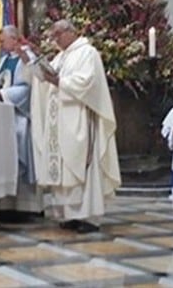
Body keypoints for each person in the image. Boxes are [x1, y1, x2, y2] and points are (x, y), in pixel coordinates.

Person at [24, 19, 121, 234]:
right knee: (62, 167)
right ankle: (68, 215)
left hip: (79, 119)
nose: (55, 39)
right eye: (53, 35)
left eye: (58, 34)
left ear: (71, 32)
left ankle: (87, 216)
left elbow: (86, 82)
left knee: (80, 165)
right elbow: (46, 81)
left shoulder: (88, 53)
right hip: (58, 121)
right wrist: (36, 68)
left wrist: (59, 82)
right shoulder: (60, 56)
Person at [0, 25, 42, 223]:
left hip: (20, 116)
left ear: (14, 39)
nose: (0, 45)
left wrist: (1, 94)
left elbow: (29, 88)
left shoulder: (27, 58)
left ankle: (26, 206)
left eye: (2, 41)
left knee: (20, 148)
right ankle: (4, 204)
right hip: (1, 117)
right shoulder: (4, 60)